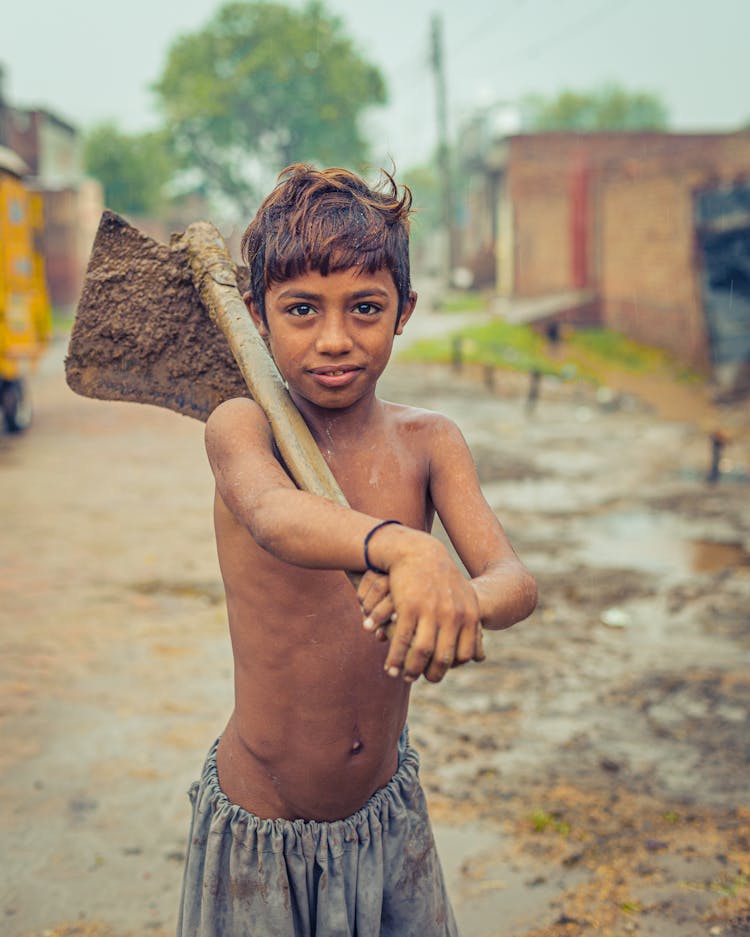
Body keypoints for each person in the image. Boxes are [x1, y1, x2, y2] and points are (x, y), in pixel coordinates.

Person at [177, 164, 537, 937]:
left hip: (386, 814)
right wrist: (401, 546)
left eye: (364, 308)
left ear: (403, 311)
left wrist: (449, 593)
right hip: (260, 824)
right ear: (256, 313)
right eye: (301, 309)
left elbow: (513, 582)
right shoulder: (243, 428)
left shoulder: (430, 442)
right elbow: (276, 516)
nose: (334, 339)